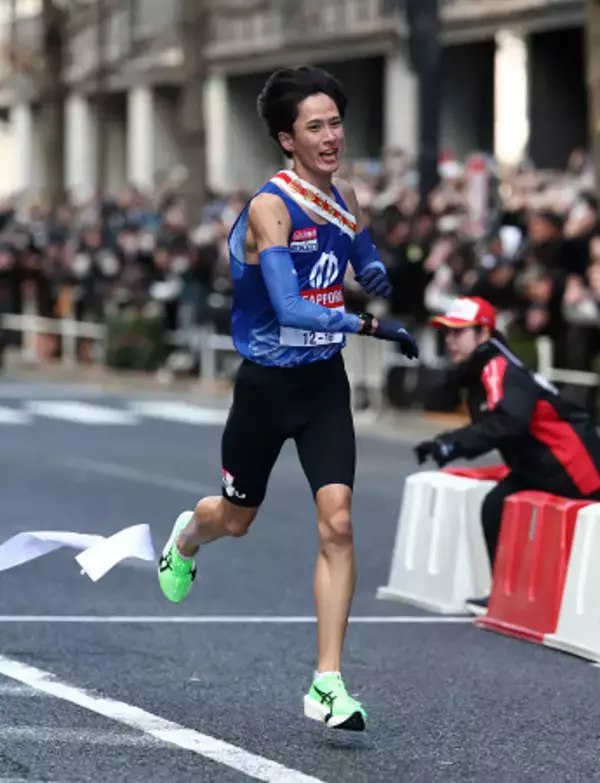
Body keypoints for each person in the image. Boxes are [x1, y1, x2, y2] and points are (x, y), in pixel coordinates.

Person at [157, 66, 419, 731]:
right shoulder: (271, 207)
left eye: (335, 122)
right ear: (286, 138)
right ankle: (188, 536)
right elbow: (290, 305)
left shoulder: (347, 195)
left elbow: (361, 258)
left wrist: (387, 274)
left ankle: (327, 682)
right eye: (315, 126)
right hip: (266, 386)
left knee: (338, 522)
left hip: (322, 384)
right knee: (237, 518)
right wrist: (373, 326)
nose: (331, 136)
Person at [414, 296, 600, 615]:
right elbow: (439, 401)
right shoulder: (480, 367)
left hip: (570, 464)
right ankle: (505, 592)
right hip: (539, 464)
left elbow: (506, 422)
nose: (451, 340)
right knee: (495, 506)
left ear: (484, 334)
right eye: (448, 332)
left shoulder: (499, 367)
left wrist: (451, 444)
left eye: (459, 332)